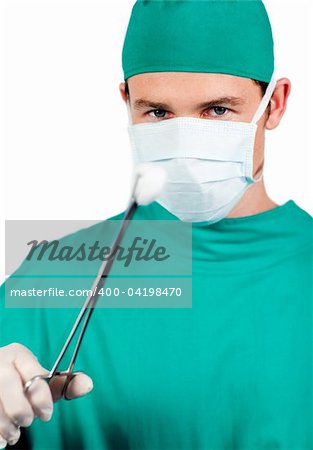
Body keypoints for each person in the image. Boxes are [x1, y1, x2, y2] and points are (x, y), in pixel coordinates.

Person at [0, 0, 312, 449]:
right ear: (127, 102)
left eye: (218, 111)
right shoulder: (55, 282)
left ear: (275, 105)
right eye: (159, 113)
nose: (186, 141)